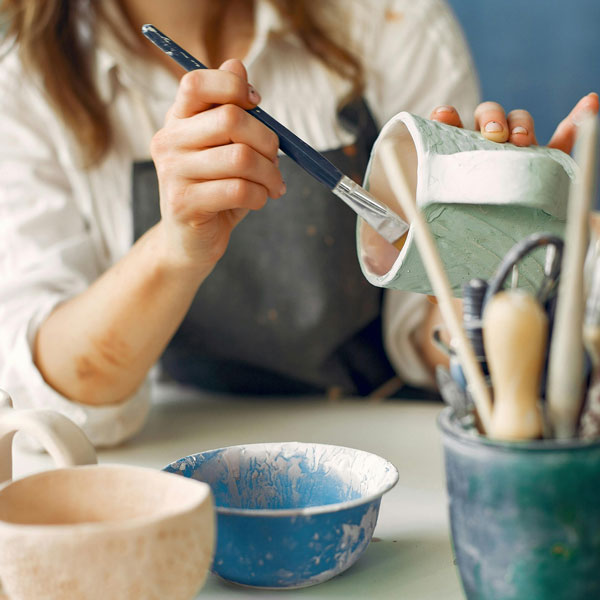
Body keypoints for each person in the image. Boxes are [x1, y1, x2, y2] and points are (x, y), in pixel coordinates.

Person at [0, 0, 597, 447]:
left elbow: (428, 332)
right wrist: (176, 247)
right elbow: (50, 393)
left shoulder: (391, 19)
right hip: (182, 458)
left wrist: (507, 269)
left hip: (394, 447)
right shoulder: (23, 85)